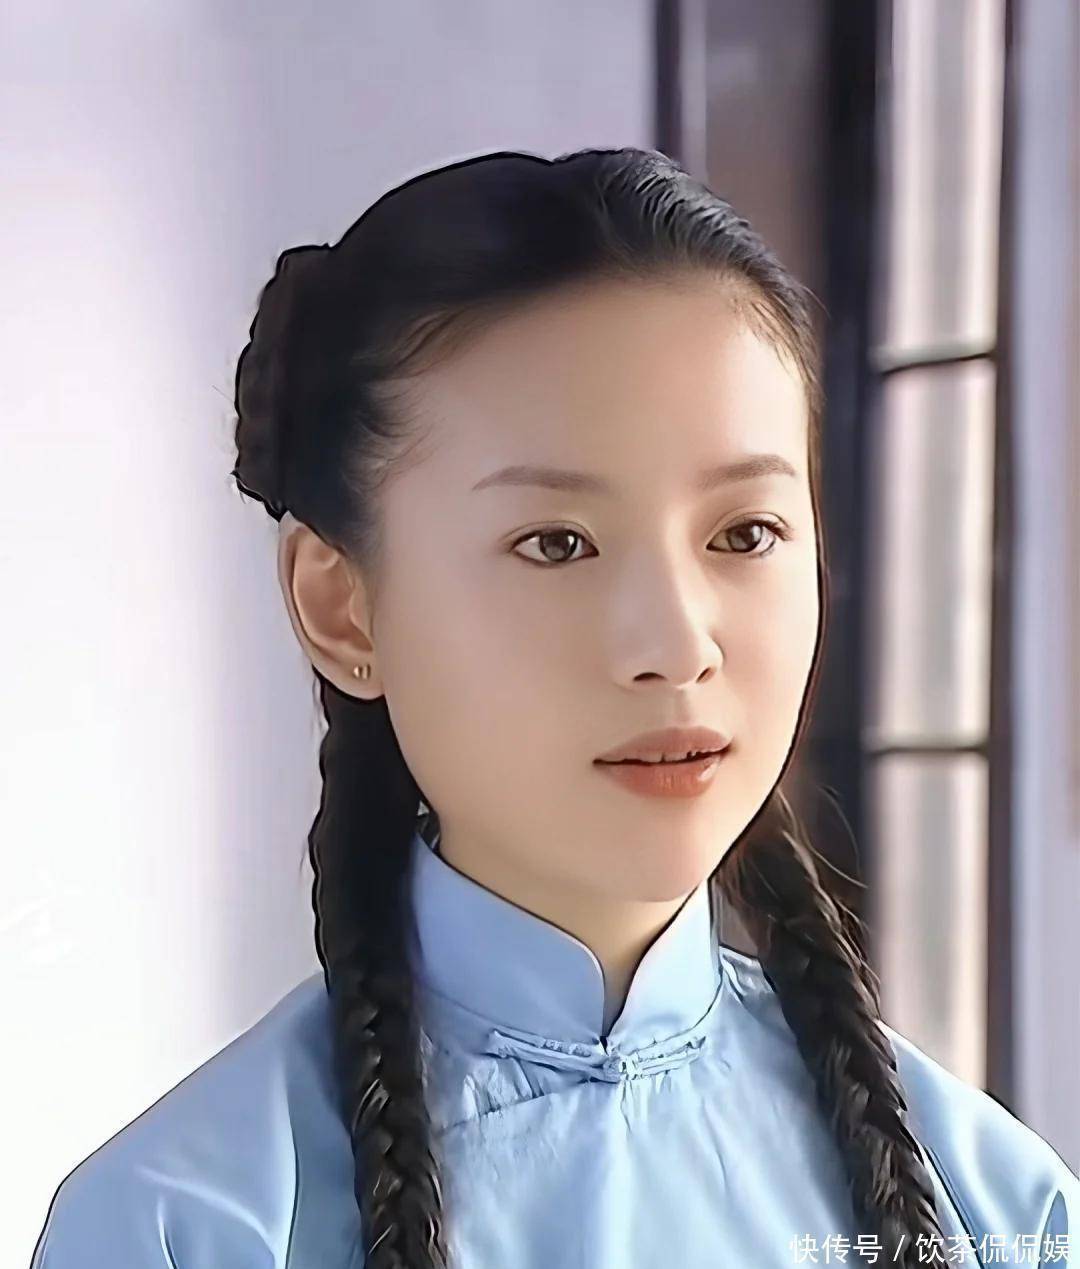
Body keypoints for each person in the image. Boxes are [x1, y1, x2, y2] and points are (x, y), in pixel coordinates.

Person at [30, 147, 1077, 1269]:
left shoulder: (1002, 1208)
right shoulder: (181, 1228)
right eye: (557, 544)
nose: (677, 645)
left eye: (744, 533)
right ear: (343, 609)